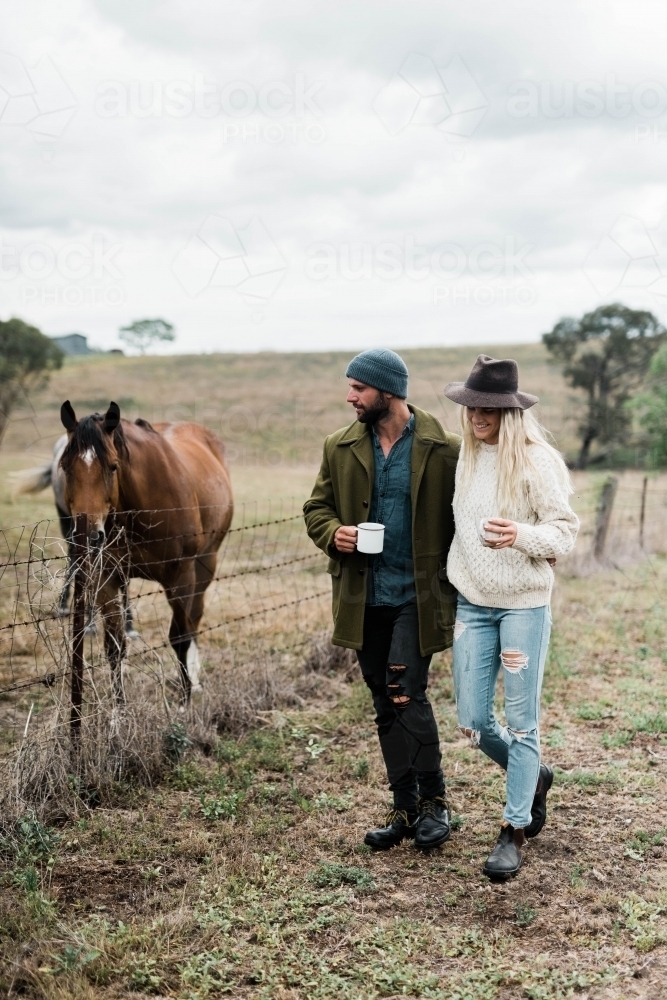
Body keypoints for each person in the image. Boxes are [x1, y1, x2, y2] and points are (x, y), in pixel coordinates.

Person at [304, 349, 461, 850]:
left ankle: (435, 804)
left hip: (420, 595)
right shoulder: (339, 445)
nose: (349, 396)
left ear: (388, 392)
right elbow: (316, 507)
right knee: (382, 701)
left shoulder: (446, 449)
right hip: (363, 596)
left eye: (358, 388)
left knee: (404, 692)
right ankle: (405, 809)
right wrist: (335, 533)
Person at [444, 354, 579, 879]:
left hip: (523, 604)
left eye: (490, 409)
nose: (478, 416)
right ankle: (535, 775)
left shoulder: (538, 461)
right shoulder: (468, 455)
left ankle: (514, 828)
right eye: (472, 405)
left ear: (512, 412)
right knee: (475, 723)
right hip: (471, 604)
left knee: (522, 724)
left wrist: (521, 536)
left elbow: (564, 532)